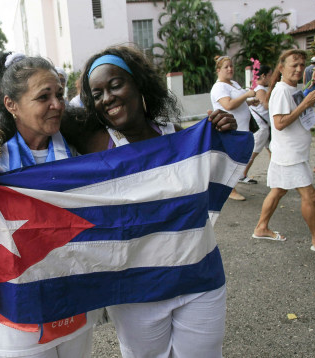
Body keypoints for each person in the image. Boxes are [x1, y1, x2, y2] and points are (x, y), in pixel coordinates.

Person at [75, 45, 237, 358]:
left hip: (199, 279)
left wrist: (222, 130)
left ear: (139, 83)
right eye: (97, 94)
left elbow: (211, 177)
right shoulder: (97, 143)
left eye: (116, 84)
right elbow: (36, 122)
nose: (107, 98)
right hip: (137, 291)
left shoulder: (177, 135)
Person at [0, 52, 98, 358]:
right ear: (11, 105)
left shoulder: (77, 150)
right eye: (44, 97)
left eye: (59, 93)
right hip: (16, 309)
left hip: (72, 298)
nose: (57, 104)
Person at [252, 49, 315, 255]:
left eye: (302, 65)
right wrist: (305, 104)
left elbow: (300, 115)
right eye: (294, 65)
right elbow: (280, 123)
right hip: (289, 154)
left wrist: (309, 100)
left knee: (279, 190)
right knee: (310, 195)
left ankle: (261, 227)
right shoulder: (282, 90)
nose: (299, 69)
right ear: (281, 68)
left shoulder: (292, 89)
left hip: (290, 152)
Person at [211, 55, 259, 200]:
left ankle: (223, 186)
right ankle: (230, 190)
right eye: (226, 67)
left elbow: (237, 104)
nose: (230, 69)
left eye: (231, 66)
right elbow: (228, 105)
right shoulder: (219, 87)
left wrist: (250, 102)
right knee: (232, 161)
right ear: (218, 70)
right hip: (230, 129)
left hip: (241, 129)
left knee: (235, 159)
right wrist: (246, 96)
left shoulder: (233, 83)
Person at [247, 65, 273, 173]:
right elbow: (267, 106)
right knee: (253, 152)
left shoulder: (256, 88)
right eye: (270, 75)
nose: (271, 78)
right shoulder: (260, 90)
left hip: (264, 125)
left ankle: (275, 173)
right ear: (263, 76)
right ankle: (241, 175)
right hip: (261, 126)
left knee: (272, 151)